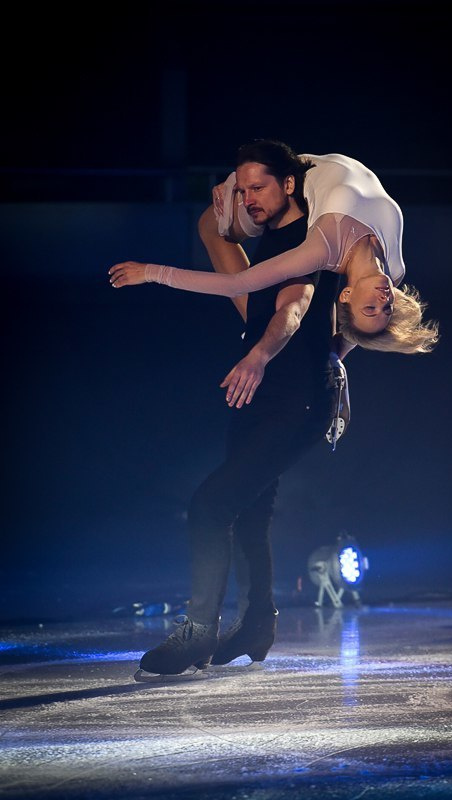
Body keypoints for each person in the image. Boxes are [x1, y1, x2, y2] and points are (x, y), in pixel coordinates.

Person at [122, 140, 344, 676]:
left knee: (210, 505)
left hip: (297, 396)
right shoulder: (267, 242)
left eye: (259, 186)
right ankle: (258, 624)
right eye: (241, 190)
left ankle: (199, 630)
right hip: (264, 395)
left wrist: (259, 356)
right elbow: (229, 264)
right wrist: (224, 204)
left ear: (290, 184)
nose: (247, 199)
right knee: (248, 510)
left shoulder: (309, 241)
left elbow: (293, 308)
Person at [109, 150, 439, 357]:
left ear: (347, 294)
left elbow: (236, 284)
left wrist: (152, 272)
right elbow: (351, 337)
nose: (383, 298)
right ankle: (275, 333)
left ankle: (258, 324)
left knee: (211, 226)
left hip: (291, 176)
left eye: (371, 307)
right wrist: (338, 362)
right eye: (387, 306)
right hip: (309, 160)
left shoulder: (322, 248)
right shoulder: (394, 270)